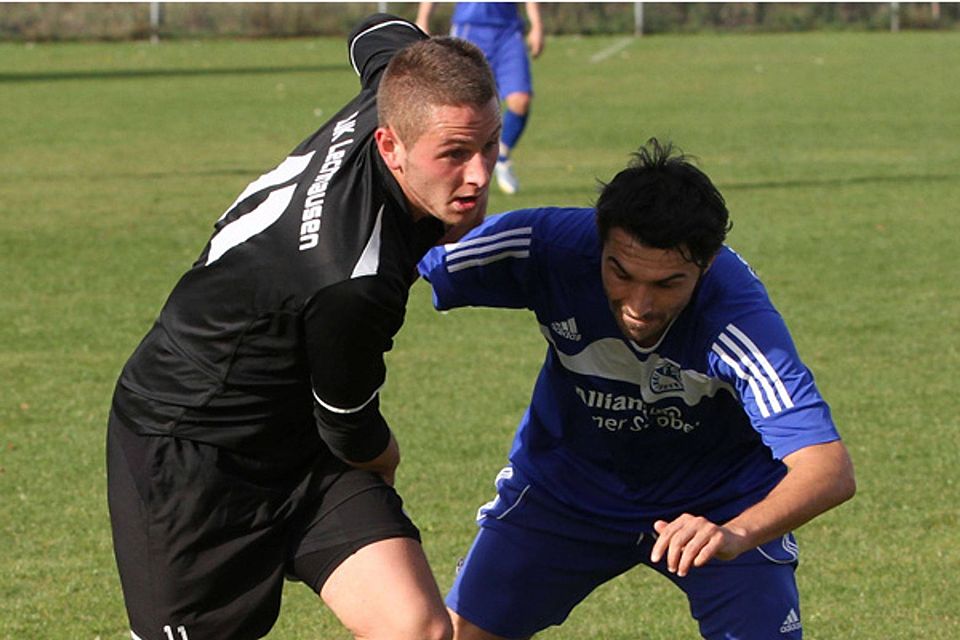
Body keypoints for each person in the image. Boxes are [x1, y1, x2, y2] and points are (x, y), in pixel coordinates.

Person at [106, 14, 501, 640]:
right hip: (192, 446)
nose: (479, 176)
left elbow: (380, 31)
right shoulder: (353, 275)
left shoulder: (401, 90)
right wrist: (388, 457)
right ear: (390, 146)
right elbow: (349, 423)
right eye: (454, 154)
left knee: (417, 629)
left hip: (301, 439)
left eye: (489, 144)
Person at [418, 139, 856, 640]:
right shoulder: (548, 245)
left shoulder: (737, 318)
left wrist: (736, 532)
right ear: (599, 242)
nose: (639, 305)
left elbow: (827, 466)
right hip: (566, 491)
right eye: (620, 273)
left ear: (707, 264)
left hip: (718, 505)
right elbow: (405, 257)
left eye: (668, 284)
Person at [416, 2, 543, 195]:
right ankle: (449, 169)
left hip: (509, 31)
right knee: (458, 103)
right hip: (470, 28)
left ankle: (502, 153)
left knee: (521, 100)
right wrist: (423, 18)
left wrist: (537, 25)